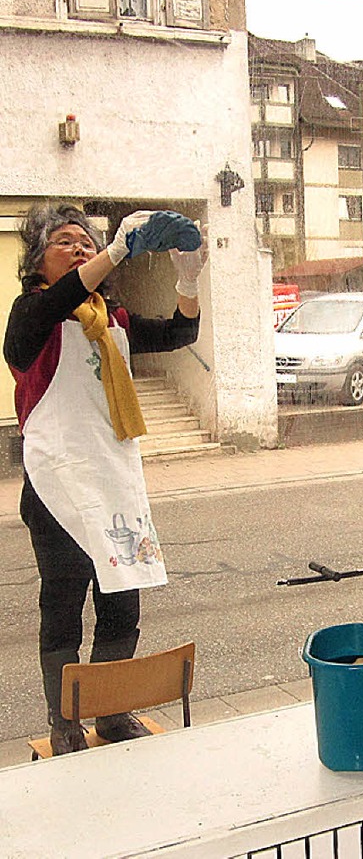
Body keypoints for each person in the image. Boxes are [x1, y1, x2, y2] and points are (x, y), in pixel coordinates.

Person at [3, 204, 208, 755]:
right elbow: (57, 300)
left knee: (122, 603)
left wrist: (188, 276)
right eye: (65, 242)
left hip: (115, 484)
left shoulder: (110, 321)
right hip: (58, 487)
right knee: (63, 605)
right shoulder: (32, 318)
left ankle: (113, 713)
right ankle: (65, 721)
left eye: (88, 243)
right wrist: (117, 248)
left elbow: (178, 332)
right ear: (38, 263)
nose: (80, 248)